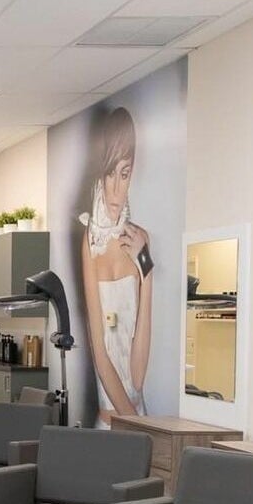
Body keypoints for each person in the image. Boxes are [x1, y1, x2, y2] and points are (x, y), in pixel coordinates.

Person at [76, 107, 152, 424]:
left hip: (139, 414)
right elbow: (100, 352)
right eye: (111, 174)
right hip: (112, 424)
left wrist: (147, 274)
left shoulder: (141, 239)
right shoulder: (89, 245)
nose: (117, 190)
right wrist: (137, 424)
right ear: (99, 173)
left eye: (125, 173)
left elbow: (137, 376)